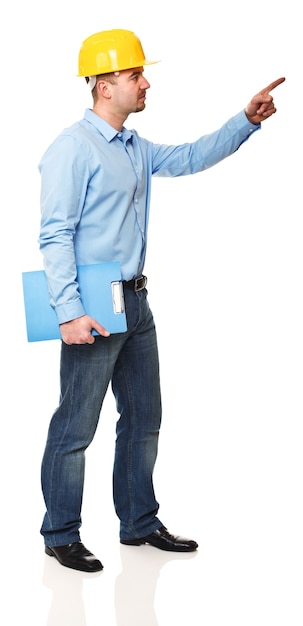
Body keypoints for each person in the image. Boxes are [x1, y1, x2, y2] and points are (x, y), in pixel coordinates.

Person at [38, 28, 285, 573]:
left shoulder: (135, 147)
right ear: (104, 86)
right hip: (92, 306)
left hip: (136, 302)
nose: (146, 83)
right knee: (76, 426)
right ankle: (59, 533)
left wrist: (246, 120)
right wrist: (68, 311)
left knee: (145, 418)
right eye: (135, 75)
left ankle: (139, 522)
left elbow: (193, 156)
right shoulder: (71, 149)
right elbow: (55, 234)